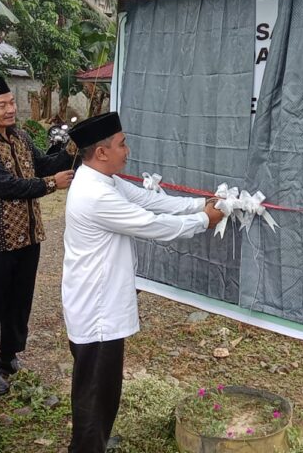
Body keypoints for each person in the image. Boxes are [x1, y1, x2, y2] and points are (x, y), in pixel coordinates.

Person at [62, 112, 224, 453]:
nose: (128, 150)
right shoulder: (95, 194)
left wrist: (199, 203)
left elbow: (150, 200)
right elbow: (152, 225)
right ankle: (90, 445)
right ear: (102, 152)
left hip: (98, 305)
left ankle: (95, 440)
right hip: (98, 314)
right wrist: (203, 220)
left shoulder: (101, 179)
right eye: (122, 144)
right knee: (95, 396)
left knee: (101, 391)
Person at [0, 77, 76, 396]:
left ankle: (8, 356)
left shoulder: (21, 137)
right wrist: (51, 184)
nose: (11, 109)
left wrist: (71, 146)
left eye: (12, 102)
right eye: (3, 105)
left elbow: (44, 165)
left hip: (29, 235)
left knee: (19, 301)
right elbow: (4, 185)